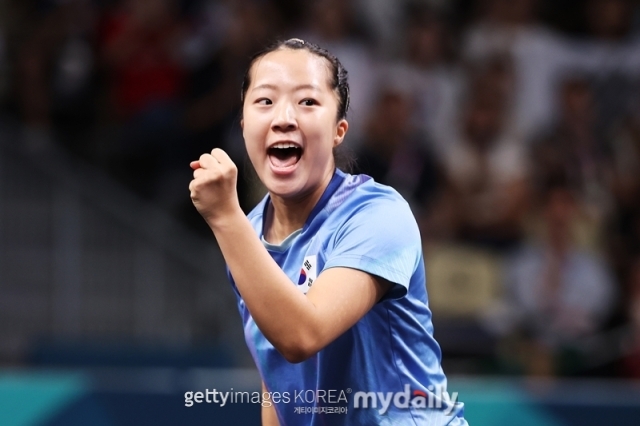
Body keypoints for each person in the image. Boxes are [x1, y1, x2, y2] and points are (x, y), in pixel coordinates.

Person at [189, 38, 466, 425]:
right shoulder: (247, 231)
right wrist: (233, 223)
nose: (283, 117)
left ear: (339, 130)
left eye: (307, 102)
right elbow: (279, 382)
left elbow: (302, 335)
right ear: (244, 125)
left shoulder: (378, 216)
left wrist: (224, 218)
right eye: (265, 101)